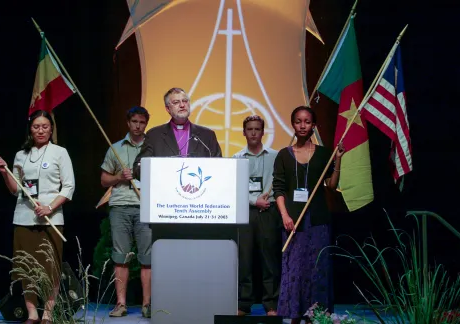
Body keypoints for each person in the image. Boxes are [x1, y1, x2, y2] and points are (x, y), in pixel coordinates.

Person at [0, 110, 75, 324]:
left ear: (51, 129)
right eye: (36, 126)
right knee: (26, 266)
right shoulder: (21, 155)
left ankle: (48, 313)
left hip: (51, 219)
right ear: (31, 129)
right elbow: (15, 189)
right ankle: (32, 313)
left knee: (50, 267)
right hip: (23, 218)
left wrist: (49, 207)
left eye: (45, 127)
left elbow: (69, 186)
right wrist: (4, 172)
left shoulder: (60, 152)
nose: (41, 130)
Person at [272, 106, 344, 324]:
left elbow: (331, 185)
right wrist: (285, 216)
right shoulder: (284, 155)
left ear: (314, 126)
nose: (302, 126)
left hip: (318, 221)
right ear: (293, 124)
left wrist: (338, 158)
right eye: (298, 121)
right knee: (295, 268)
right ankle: (295, 314)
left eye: (307, 122)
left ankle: (317, 315)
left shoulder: (324, 153)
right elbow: (279, 189)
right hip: (293, 222)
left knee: (317, 268)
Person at [100, 106, 152, 318]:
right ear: (128, 123)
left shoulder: (152, 148)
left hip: (146, 207)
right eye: (134, 122)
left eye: (142, 122)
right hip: (120, 207)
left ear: (146, 124)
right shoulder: (115, 149)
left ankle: (147, 304)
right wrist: (120, 177)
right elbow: (104, 180)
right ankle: (121, 304)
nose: (138, 126)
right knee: (121, 256)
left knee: (147, 257)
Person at [232, 115, 281, 316]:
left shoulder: (276, 156)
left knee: (269, 259)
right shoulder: (236, 159)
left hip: (269, 213)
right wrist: (253, 201)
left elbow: (280, 184)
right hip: (245, 213)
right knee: (245, 259)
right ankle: (244, 304)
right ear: (244, 132)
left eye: (257, 129)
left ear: (263, 132)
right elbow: (233, 189)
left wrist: (270, 200)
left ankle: (271, 304)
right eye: (249, 129)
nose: (253, 132)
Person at [133, 87, 222, 178]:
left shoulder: (207, 135)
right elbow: (138, 169)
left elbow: (220, 167)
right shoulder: (154, 135)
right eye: (176, 102)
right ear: (168, 109)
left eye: (185, 101)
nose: (182, 105)